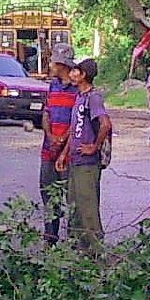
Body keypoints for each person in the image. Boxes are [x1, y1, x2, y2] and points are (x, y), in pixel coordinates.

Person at [56, 57, 111, 252]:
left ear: (84, 75)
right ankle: (77, 251)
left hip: (87, 163)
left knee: (88, 210)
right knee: (74, 208)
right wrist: (64, 154)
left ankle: (98, 253)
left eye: (75, 71)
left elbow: (105, 124)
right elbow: (75, 128)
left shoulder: (93, 97)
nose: (71, 74)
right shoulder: (79, 96)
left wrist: (94, 147)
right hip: (75, 160)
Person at [40, 43, 77, 243]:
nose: (50, 64)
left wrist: (62, 140)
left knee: (70, 197)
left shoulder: (77, 88)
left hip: (68, 153)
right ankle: (50, 237)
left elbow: (77, 120)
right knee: (48, 194)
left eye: (53, 61)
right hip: (49, 150)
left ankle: (72, 239)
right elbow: (46, 112)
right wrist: (50, 136)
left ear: (61, 64)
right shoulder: (53, 85)